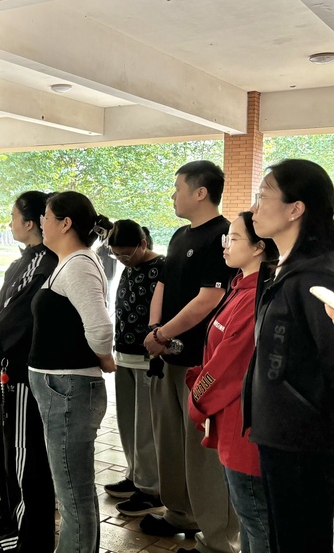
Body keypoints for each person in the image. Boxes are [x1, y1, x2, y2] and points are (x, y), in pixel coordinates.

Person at [142, 160, 239, 553]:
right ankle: (179, 512)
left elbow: (208, 299)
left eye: (178, 188)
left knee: (202, 452)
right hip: (168, 356)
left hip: (202, 364)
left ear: (200, 192)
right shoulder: (181, 235)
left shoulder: (222, 236)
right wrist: (155, 331)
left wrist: (162, 333)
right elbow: (163, 284)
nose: (173, 195)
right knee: (170, 442)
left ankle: (217, 537)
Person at [242, 159, 334, 552]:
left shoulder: (317, 278)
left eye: (263, 196)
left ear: (296, 209)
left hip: (305, 442)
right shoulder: (280, 269)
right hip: (280, 434)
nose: (254, 207)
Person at [28, 191, 115, 553]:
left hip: (68, 389)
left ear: (65, 224)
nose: (41, 223)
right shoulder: (71, 261)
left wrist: (105, 358)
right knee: (75, 488)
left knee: (72, 494)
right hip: (61, 387)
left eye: (46, 217)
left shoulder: (78, 264)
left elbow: (100, 327)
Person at [187, 212, 277, 553]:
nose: (225, 245)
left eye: (234, 238)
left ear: (258, 247)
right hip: (232, 421)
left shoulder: (256, 296)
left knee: (256, 522)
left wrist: (197, 398)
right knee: (250, 521)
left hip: (244, 428)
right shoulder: (241, 286)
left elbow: (228, 366)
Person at [0, 191, 58, 552]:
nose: (9, 224)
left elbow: (18, 317)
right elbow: (1, 310)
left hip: (25, 371)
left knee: (27, 455)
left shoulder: (46, 263)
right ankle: (10, 517)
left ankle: (29, 537)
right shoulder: (26, 260)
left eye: (13, 217)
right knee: (8, 450)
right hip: (8, 369)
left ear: (31, 222)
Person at [102, 220, 165, 518]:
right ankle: (135, 474)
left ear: (143, 244)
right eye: (116, 255)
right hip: (124, 354)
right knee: (127, 422)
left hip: (147, 358)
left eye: (126, 254)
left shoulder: (162, 267)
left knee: (146, 427)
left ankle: (151, 490)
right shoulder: (128, 266)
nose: (121, 259)